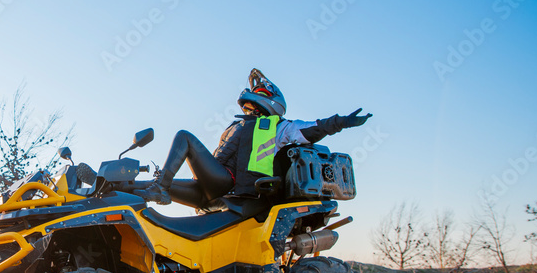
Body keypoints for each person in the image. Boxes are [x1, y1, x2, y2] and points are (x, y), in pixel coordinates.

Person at [140, 69, 372, 206]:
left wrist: (342, 122)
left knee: (185, 137)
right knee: (143, 186)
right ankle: (127, 189)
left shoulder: (278, 127)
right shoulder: (236, 125)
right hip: (210, 190)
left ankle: (160, 185)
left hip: (230, 183)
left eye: (260, 93)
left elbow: (312, 128)